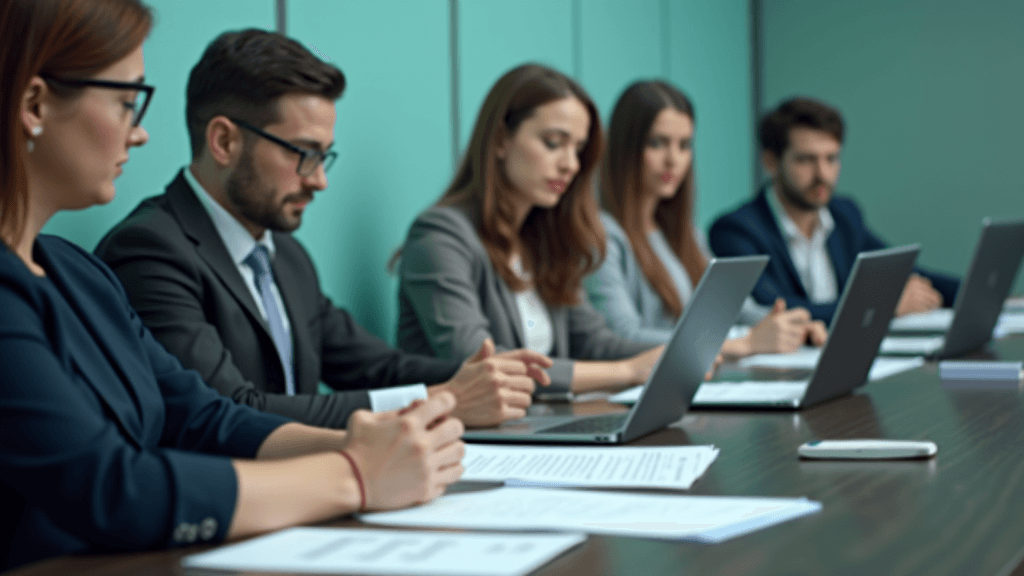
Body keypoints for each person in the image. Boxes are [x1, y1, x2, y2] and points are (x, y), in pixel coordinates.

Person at [0, 0, 465, 570]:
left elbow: (202, 416)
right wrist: (355, 475)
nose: (141, 133)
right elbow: (109, 487)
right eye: (127, 102)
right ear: (35, 104)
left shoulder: (79, 273)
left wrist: (367, 445)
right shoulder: (119, 255)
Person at [95, 29, 550, 429]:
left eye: (324, 156)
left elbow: (378, 367)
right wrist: (441, 400)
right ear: (225, 141)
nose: (319, 180)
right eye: (303, 154)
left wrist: (478, 374)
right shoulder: (150, 250)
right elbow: (231, 410)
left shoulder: (287, 256)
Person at [396, 64, 665, 396]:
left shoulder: (541, 239)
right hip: (466, 439)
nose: (571, 164)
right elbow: (484, 364)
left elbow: (593, 341)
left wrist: (668, 356)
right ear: (499, 141)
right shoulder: (439, 236)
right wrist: (626, 372)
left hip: (533, 429)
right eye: (553, 143)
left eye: (578, 149)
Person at [586, 80, 826, 354]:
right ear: (625, 148)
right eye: (657, 143)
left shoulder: (684, 233)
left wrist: (791, 326)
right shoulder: (602, 234)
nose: (673, 160)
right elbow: (623, 336)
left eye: (684, 145)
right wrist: (741, 345)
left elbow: (737, 310)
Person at [708, 97, 959, 324]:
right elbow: (775, 309)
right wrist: (883, 305)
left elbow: (901, 270)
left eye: (831, 159)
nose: (823, 174)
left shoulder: (844, 214)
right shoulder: (736, 231)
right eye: (806, 160)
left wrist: (974, 293)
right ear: (771, 162)